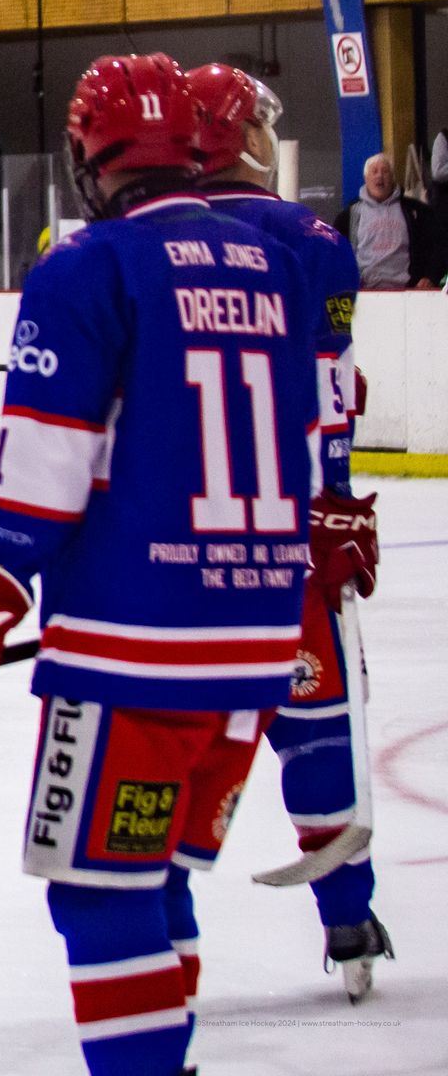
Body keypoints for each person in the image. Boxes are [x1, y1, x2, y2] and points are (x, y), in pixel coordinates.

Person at [0, 54, 319, 1076]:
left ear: (90, 153)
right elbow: (303, 436)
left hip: (137, 656)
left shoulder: (87, 266)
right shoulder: (279, 262)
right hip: (257, 646)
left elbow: (46, 466)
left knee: (99, 889)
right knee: (155, 873)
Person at [188, 63, 389, 998]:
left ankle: (149, 930)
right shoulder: (310, 236)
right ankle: (348, 919)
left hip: (170, 538)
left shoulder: (122, 240)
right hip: (285, 529)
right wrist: (337, 500)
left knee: (171, 738)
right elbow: (324, 383)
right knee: (316, 722)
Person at [333, 152, 443, 290]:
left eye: (385, 171)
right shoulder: (348, 216)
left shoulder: (416, 212)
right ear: (366, 178)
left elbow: (439, 246)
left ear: (392, 178)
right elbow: (333, 253)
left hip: (408, 294)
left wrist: (431, 277)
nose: (380, 176)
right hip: (365, 294)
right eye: (374, 171)